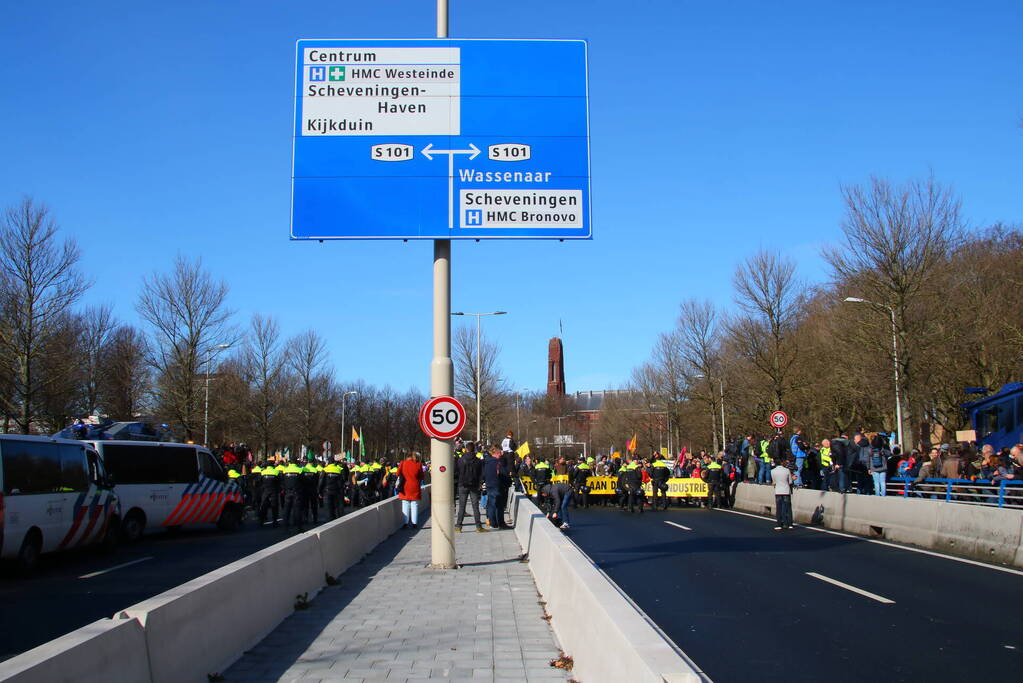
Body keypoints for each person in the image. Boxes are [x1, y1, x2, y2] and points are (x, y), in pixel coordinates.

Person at [455, 442, 485, 533]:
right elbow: (481, 474)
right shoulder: (478, 461)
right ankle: (478, 526)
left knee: (462, 506)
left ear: (466, 449)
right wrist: (480, 483)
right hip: (474, 485)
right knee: (475, 506)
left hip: (462, 485)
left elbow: (457, 472)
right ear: (474, 449)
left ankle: (458, 527)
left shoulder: (460, 460)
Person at [398, 452, 424, 529]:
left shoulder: (403, 463)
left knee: (405, 504)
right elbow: (422, 476)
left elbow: (397, 473)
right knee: (414, 505)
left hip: (405, 487)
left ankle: (405, 523)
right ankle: (414, 523)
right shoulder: (418, 464)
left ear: (407, 457)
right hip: (415, 487)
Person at [483, 446, 504, 529]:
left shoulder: (486, 461)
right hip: (495, 484)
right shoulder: (497, 462)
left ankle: (491, 521)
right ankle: (494, 522)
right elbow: (499, 473)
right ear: (496, 454)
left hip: (488, 484)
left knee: (490, 503)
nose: (500, 456)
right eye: (499, 454)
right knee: (495, 504)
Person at [258, 460, 282, 527]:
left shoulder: (262, 472)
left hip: (265, 491)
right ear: (272, 465)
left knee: (263, 506)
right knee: (274, 506)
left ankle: (261, 521)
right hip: (274, 491)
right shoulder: (276, 472)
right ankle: (275, 521)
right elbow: (279, 482)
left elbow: (259, 481)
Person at [772, 458, 794, 530]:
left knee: (779, 508)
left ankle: (779, 524)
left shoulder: (773, 471)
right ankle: (789, 523)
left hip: (778, 491)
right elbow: (790, 481)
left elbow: (774, 482)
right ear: (782, 463)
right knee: (787, 507)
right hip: (786, 490)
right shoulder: (787, 470)